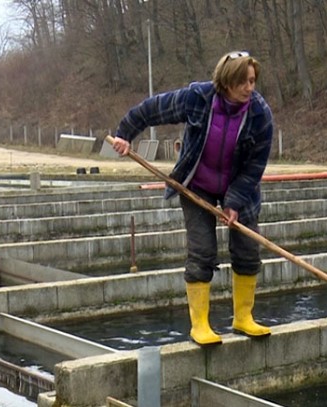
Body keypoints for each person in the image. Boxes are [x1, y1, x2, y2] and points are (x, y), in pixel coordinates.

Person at [112, 51, 274, 346]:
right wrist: (125, 133)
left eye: (252, 81)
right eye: (243, 82)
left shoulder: (260, 115)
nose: (250, 88)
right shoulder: (197, 98)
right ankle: (200, 325)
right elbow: (152, 110)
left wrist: (234, 203)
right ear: (226, 82)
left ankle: (243, 318)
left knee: (248, 250)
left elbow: (255, 166)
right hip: (196, 185)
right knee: (202, 252)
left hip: (240, 190)